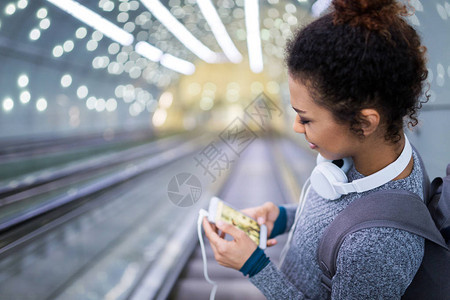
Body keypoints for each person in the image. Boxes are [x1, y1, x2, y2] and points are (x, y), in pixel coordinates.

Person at [203, 0, 430, 298]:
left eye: (307, 118)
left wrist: (254, 266)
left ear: (364, 122)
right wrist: (283, 218)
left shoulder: (379, 246)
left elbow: (359, 228)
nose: (297, 126)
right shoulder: (386, 153)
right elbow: (345, 215)